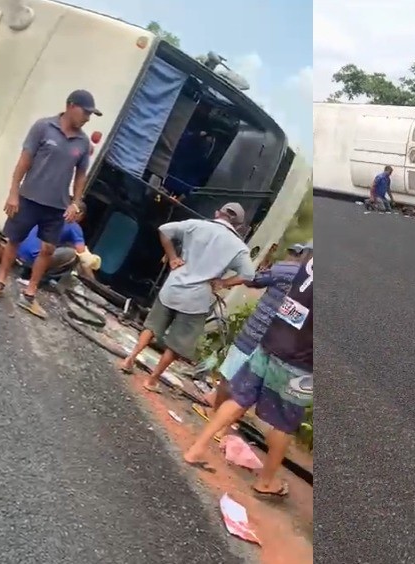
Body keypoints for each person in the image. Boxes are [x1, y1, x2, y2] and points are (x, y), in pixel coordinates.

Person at [184, 255, 313, 498]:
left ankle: (196, 448)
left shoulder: (309, 259)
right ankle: (266, 482)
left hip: (270, 341)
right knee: (284, 422)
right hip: (300, 361)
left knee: (241, 396)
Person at [0, 90, 100, 318]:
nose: (87, 118)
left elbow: (81, 176)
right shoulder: (43, 127)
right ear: (71, 106)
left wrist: (76, 202)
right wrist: (13, 193)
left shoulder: (83, 143)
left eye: (90, 114)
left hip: (56, 206)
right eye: (86, 112)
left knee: (48, 249)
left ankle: (29, 294)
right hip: (29, 197)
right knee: (13, 240)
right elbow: (24, 162)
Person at [118, 203, 256, 394]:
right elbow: (248, 275)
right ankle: (152, 380)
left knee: (152, 326)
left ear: (217, 213)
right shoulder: (239, 247)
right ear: (239, 226)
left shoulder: (195, 225)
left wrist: (173, 257)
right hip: (197, 299)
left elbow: (164, 230)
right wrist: (223, 283)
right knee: (177, 343)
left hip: (173, 286)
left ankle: (130, 358)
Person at [202, 241, 313, 422]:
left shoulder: (286, 270)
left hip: (254, 334)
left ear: (303, 255)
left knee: (228, 377)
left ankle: (215, 416)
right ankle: (225, 419)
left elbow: (253, 280)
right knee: (248, 388)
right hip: (277, 345)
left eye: (296, 253)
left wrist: (224, 282)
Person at [16, 202, 96, 286]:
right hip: (34, 259)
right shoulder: (74, 226)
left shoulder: (52, 214)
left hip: (19, 252)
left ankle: (28, 270)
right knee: (73, 255)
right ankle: (38, 279)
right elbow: (83, 256)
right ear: (80, 214)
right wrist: (92, 281)